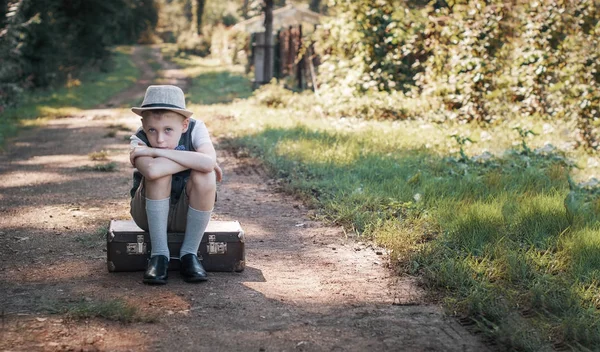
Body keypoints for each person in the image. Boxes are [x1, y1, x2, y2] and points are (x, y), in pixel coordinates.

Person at [129, 85, 222, 285]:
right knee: (159, 175)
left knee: (205, 176)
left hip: (187, 214)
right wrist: (194, 159)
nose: (160, 139)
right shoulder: (138, 139)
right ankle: (159, 255)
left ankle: (189, 254)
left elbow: (207, 165)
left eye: (168, 130)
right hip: (147, 215)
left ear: (185, 125)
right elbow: (153, 171)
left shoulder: (196, 128)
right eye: (152, 130)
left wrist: (156, 153)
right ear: (144, 125)